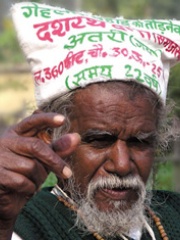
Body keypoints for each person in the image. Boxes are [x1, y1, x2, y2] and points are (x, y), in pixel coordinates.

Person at [0, 2, 180, 240]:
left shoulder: (172, 214)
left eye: (139, 142)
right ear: (50, 134)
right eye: (99, 140)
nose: (122, 165)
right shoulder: (21, 224)